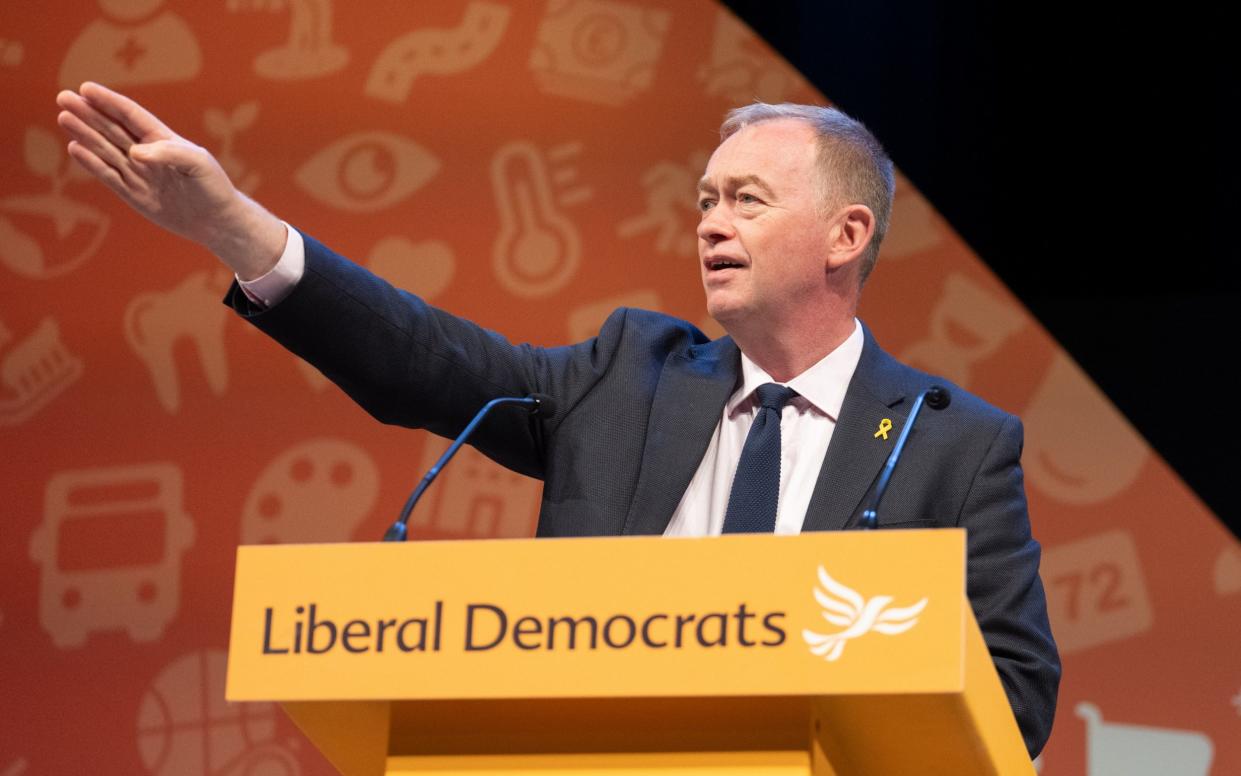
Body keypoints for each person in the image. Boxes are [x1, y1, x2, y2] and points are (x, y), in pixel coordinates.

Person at [55, 82, 1059, 755]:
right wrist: (234, 225)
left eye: (746, 200)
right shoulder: (626, 375)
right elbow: (423, 361)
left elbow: (1013, 699)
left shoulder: (950, 441)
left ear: (845, 234)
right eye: (705, 199)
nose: (710, 221)